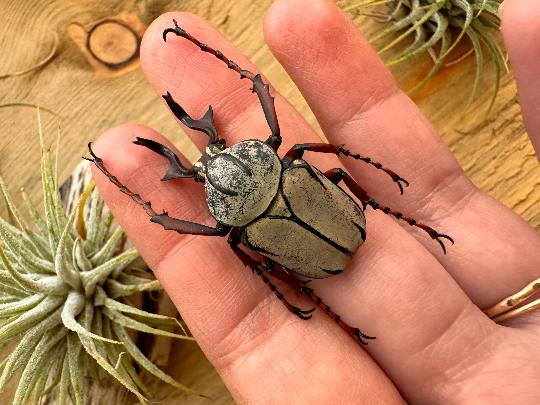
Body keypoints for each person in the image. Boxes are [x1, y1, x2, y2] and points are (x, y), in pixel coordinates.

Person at [90, 0, 540, 402]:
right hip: (338, 229)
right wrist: (252, 81)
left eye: (202, 162)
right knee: (316, 166)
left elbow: (227, 239)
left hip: (316, 258)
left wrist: (153, 208)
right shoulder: (287, 160)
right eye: (206, 160)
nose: (205, 155)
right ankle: (378, 216)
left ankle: (337, 256)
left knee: (236, 237)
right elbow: (326, 155)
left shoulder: (233, 231)